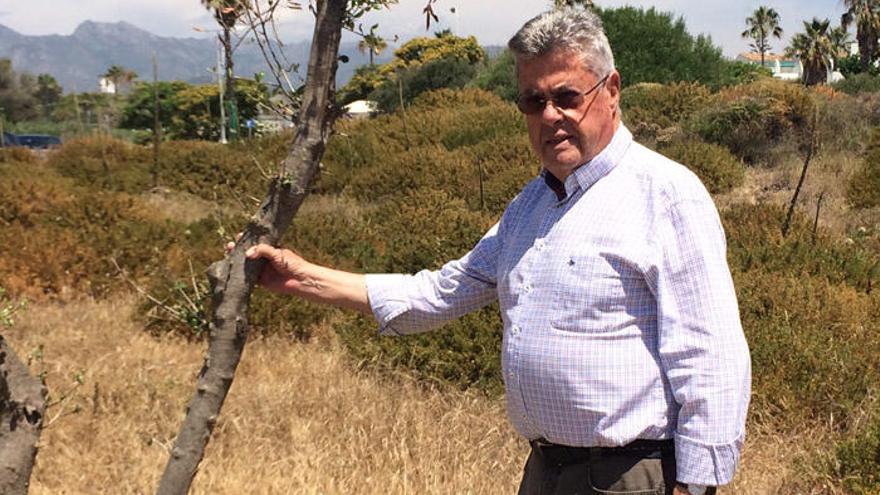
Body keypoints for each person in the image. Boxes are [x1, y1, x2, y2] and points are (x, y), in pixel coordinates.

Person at [239, 8, 750, 495]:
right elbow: (441, 292)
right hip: (546, 472)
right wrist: (301, 277)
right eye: (533, 101)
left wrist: (697, 483)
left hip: (630, 478)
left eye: (567, 96)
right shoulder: (529, 207)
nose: (550, 116)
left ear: (611, 90)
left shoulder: (665, 194)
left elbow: (711, 357)